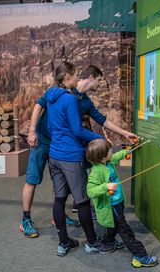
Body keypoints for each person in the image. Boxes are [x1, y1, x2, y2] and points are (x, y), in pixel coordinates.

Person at [20, 64, 137, 238]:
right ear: (91, 78)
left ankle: (57, 217)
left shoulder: (85, 101)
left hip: (61, 146)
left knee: (60, 184)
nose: (100, 84)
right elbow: (39, 106)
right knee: (32, 178)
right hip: (42, 140)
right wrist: (32, 131)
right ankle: (26, 219)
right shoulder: (59, 91)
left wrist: (125, 133)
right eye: (99, 80)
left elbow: (103, 120)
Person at [47, 62, 116, 256]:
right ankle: (92, 243)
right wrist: (100, 139)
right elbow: (77, 130)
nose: (78, 79)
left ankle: (64, 243)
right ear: (67, 77)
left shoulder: (51, 96)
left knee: (59, 199)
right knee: (83, 201)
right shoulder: (69, 100)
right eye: (75, 75)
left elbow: (52, 128)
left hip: (54, 156)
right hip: (71, 157)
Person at [86, 139, 159, 268]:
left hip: (117, 203)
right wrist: (105, 186)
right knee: (125, 230)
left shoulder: (108, 161)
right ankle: (140, 256)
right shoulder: (96, 172)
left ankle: (108, 242)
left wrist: (127, 151)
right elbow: (90, 191)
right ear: (102, 157)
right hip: (111, 206)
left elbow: (116, 156)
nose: (111, 151)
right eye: (109, 150)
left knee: (114, 224)